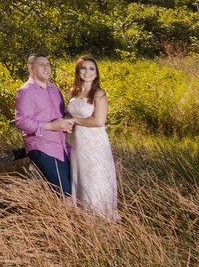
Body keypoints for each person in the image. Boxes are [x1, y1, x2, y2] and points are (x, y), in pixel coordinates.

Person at [67, 55, 120, 220]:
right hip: (78, 144)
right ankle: (84, 218)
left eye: (91, 69)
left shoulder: (99, 94)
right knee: (81, 178)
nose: (87, 72)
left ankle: (101, 218)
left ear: (96, 73)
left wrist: (75, 120)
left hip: (95, 144)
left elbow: (98, 121)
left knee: (95, 179)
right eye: (83, 68)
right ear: (78, 72)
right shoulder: (73, 92)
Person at [14, 53, 73, 196]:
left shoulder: (54, 89)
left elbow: (61, 114)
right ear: (30, 67)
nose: (46, 68)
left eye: (48, 64)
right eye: (41, 64)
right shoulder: (25, 91)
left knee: (75, 191)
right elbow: (21, 122)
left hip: (63, 148)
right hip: (42, 148)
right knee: (66, 194)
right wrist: (52, 126)